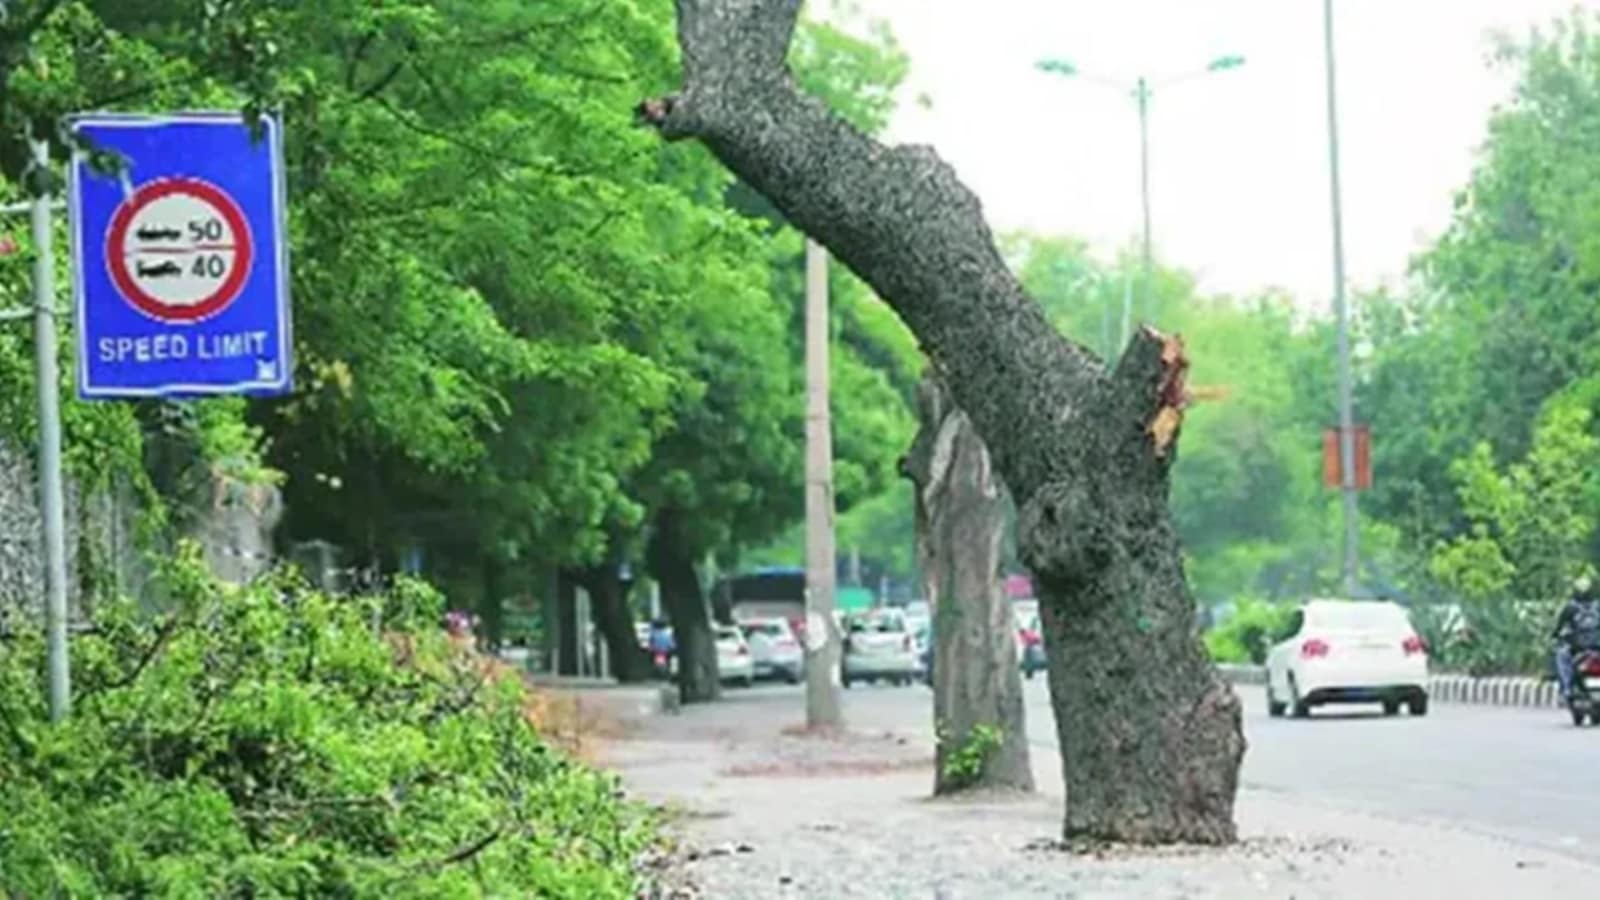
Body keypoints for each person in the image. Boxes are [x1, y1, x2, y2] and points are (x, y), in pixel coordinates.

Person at [1552, 575, 1600, 699]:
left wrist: (1556, 635)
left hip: (1577, 648)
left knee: (1561, 657)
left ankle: (1566, 688)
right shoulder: (1598, 606)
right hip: (1596, 647)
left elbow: (1559, 627)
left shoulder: (1570, 607)